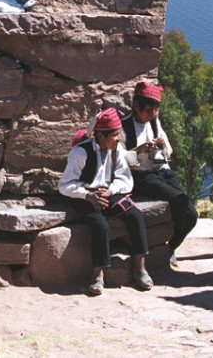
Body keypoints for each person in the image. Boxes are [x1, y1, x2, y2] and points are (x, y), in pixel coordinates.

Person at [58, 107, 152, 295]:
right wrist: (87, 195)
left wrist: (111, 191)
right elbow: (65, 185)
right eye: (115, 135)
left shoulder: (117, 150)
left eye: (119, 134)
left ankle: (140, 267)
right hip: (84, 195)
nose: (118, 138)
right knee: (100, 225)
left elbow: (125, 179)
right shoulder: (80, 153)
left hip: (108, 192)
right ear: (100, 136)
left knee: (134, 214)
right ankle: (97, 274)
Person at [122, 81, 198, 268]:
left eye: (155, 110)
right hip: (141, 176)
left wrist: (163, 147)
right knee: (179, 202)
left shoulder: (154, 123)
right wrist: (138, 150)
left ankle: (172, 246)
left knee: (191, 213)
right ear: (136, 105)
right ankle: (167, 249)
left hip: (161, 171)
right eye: (149, 109)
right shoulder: (124, 127)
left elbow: (169, 152)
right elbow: (117, 160)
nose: (152, 114)